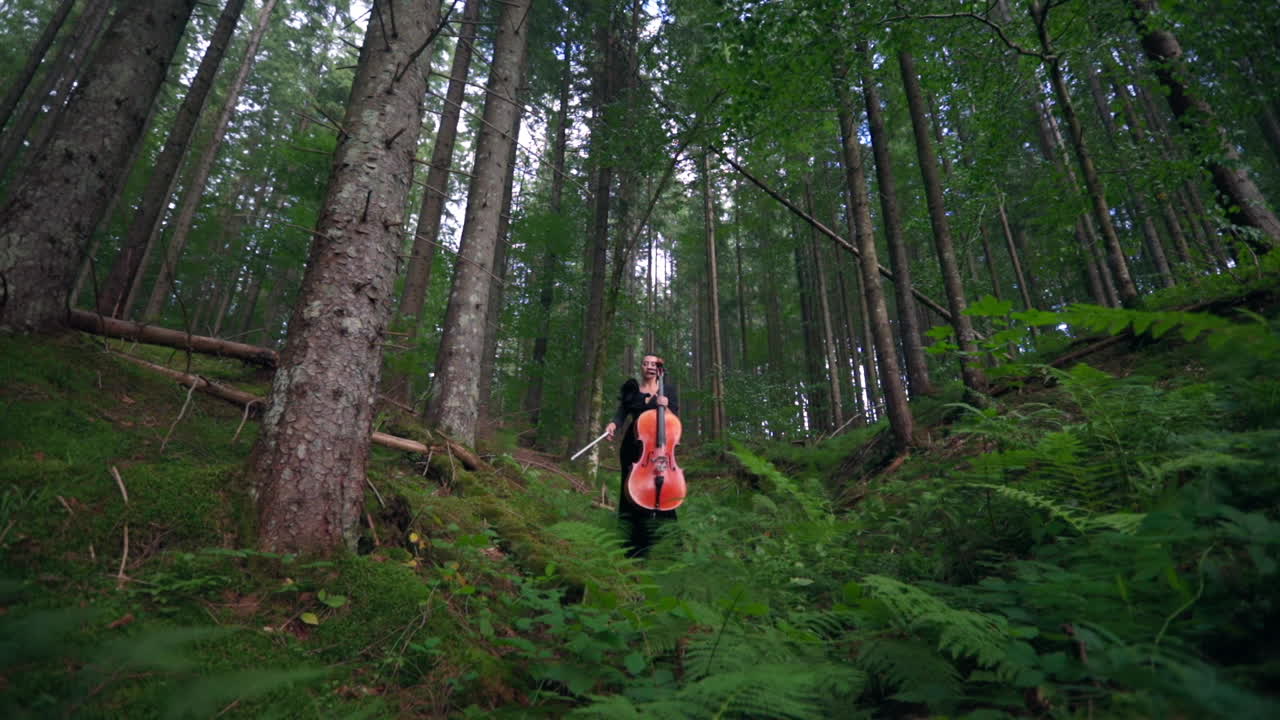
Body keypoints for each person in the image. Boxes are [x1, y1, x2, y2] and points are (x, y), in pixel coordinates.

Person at [604, 354, 679, 558]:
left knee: (662, 489)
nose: (649, 366)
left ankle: (666, 540)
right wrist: (613, 424)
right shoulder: (633, 389)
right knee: (632, 491)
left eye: (653, 364)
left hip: (660, 449)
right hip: (633, 447)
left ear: (659, 369)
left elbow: (675, 422)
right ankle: (632, 543)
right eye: (645, 363)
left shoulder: (668, 391)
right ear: (642, 367)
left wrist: (667, 406)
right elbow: (621, 413)